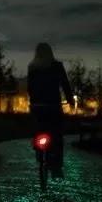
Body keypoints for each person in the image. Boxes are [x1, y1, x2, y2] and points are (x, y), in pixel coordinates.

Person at [27, 43, 74, 178]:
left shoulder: (32, 67)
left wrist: (33, 102)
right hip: (53, 105)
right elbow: (65, 84)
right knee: (57, 135)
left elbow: (30, 88)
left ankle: (38, 150)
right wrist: (70, 101)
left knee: (37, 127)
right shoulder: (57, 66)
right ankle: (56, 168)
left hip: (37, 106)